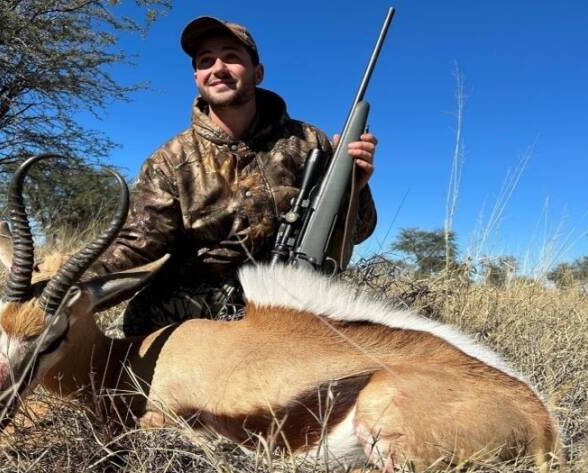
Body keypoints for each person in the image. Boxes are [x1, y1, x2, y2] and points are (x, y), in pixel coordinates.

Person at [95, 16, 379, 339]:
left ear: (258, 73)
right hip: (201, 314)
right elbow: (137, 250)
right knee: (141, 317)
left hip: (292, 300)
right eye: (205, 61)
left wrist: (356, 188)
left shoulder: (310, 142)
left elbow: (358, 232)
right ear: (197, 78)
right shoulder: (170, 161)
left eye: (231, 56)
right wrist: (70, 290)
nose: (218, 68)